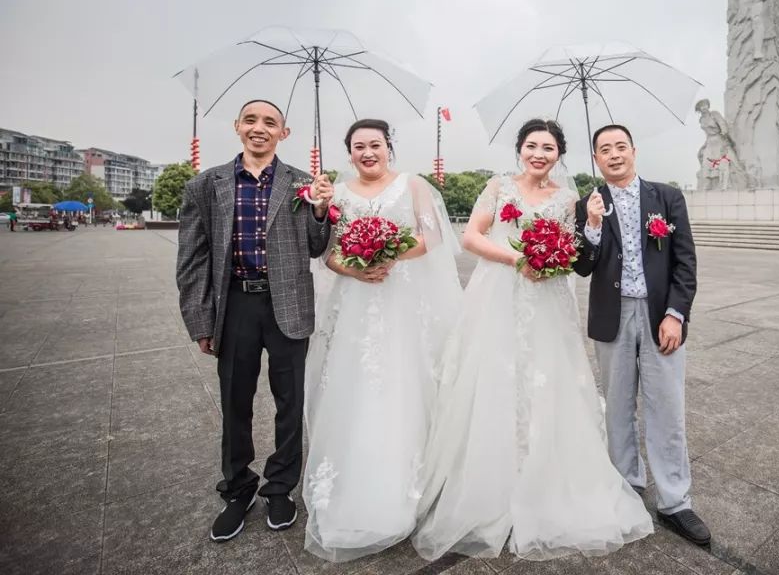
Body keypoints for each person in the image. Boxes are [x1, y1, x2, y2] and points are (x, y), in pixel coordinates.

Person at [413, 118, 652, 562]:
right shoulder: (499, 186)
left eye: (548, 147)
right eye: (532, 145)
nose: (539, 153)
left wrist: (578, 234)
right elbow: (470, 237)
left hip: (547, 298)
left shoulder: (568, 198)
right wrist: (517, 257)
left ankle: (548, 476)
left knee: (549, 379)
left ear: (559, 154)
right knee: (495, 376)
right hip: (499, 293)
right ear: (520, 149)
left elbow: (578, 250)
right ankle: (491, 481)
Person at [302, 119, 462, 562]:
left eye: (375, 144)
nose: (367, 152)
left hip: (405, 302)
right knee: (358, 389)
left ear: (389, 147)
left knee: (410, 382)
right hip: (357, 301)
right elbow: (328, 253)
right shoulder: (338, 191)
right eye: (358, 146)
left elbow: (433, 236)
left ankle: (421, 482)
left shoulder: (414, 186)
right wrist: (357, 267)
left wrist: (385, 253)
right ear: (348, 152)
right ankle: (361, 484)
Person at [176, 99, 334, 543]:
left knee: (290, 404)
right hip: (236, 307)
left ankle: (281, 486)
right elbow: (192, 260)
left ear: (284, 132)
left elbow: (317, 247)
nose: (259, 128)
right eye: (251, 120)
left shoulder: (303, 183)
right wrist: (201, 320)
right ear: (237, 128)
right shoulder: (206, 186)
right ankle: (238, 488)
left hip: (288, 306)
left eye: (270, 122)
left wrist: (321, 210)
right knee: (235, 402)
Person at [574, 124, 711, 548]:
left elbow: (685, 260)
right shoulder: (588, 203)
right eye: (604, 149)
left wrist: (675, 314)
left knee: (666, 407)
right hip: (612, 318)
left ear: (633, 150)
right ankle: (626, 488)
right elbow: (582, 265)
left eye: (620, 146)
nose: (614, 154)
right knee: (616, 407)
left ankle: (675, 501)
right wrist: (593, 224)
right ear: (596, 159)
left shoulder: (666, 197)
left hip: (658, 316)